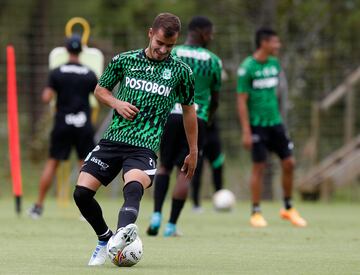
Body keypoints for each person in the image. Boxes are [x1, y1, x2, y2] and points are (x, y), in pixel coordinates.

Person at [73, 13, 198, 266]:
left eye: (169, 46)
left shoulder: (181, 72)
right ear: (150, 33)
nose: (163, 50)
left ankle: (121, 238)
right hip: (114, 139)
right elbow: (100, 89)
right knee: (81, 194)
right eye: (160, 43)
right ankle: (105, 238)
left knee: (133, 188)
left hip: (145, 144)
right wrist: (116, 103)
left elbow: (188, 110)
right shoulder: (124, 60)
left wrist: (193, 150)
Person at [147, 16, 222, 236]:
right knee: (185, 172)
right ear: (201, 32)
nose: (212, 36)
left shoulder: (173, 52)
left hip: (169, 115)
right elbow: (215, 97)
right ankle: (171, 226)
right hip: (196, 118)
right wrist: (208, 118)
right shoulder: (213, 60)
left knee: (163, 167)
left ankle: (156, 216)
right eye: (210, 32)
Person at [236, 28, 307, 227]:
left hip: (276, 123)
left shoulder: (275, 64)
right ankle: (256, 212)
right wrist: (246, 131)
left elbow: (277, 94)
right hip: (256, 126)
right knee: (259, 166)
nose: (278, 46)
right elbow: (241, 101)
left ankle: (288, 207)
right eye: (275, 42)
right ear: (264, 43)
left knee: (289, 163)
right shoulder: (247, 67)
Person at [28, 35, 97, 219]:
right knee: (85, 165)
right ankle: (86, 211)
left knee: (52, 163)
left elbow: (46, 97)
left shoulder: (57, 72)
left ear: (67, 50)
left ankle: (38, 207)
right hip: (83, 124)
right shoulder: (89, 73)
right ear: (81, 51)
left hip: (62, 124)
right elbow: (99, 95)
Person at [191, 115, 224, 212]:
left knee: (218, 168)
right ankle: (196, 204)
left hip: (213, 135)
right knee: (197, 170)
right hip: (198, 135)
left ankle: (220, 202)